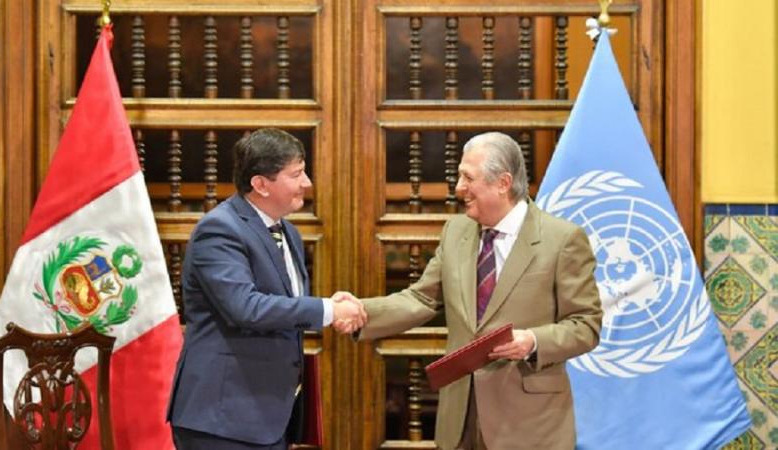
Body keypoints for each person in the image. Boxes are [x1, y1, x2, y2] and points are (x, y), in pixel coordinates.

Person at [352, 132, 603, 449]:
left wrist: (532, 340)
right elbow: (422, 298)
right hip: (461, 416)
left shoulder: (562, 239)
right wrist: (359, 312)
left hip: (529, 423)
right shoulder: (455, 231)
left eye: (468, 178)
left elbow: (586, 325)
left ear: (503, 183)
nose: (459, 188)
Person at [167, 128, 365, 449]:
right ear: (260, 184)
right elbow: (247, 308)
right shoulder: (219, 229)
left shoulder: (289, 233)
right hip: (223, 418)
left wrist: (330, 305)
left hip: (268, 415)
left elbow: (285, 306)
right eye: (296, 174)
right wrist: (327, 310)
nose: (307, 183)